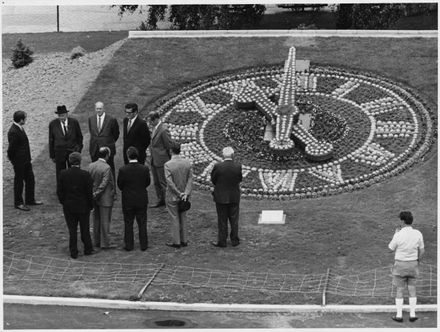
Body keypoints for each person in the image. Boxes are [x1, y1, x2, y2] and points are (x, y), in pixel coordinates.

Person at [388, 211, 425, 323]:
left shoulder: (398, 234)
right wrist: (417, 260)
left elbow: (390, 249)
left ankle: (399, 316)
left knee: (400, 290)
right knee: (412, 289)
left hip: (400, 264)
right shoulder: (418, 233)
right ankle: (412, 314)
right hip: (413, 264)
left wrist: (395, 234)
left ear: (402, 221)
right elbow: (422, 250)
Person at [57, 152, 94, 259]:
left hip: (69, 206)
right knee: (85, 229)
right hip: (83, 206)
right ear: (80, 161)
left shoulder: (63, 174)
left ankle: (73, 252)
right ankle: (88, 248)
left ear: (69, 161)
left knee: (72, 230)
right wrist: (91, 205)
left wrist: (64, 202)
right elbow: (89, 192)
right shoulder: (85, 175)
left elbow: (60, 191)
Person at [7, 110, 43, 211]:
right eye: (25, 118)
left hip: (26, 160)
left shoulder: (19, 128)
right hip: (19, 162)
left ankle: (30, 199)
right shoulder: (13, 131)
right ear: (21, 119)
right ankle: (18, 203)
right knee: (19, 182)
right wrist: (14, 161)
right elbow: (11, 149)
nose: (26, 120)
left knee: (30, 180)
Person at [117, 147, 150, 251]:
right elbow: (147, 182)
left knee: (128, 223)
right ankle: (143, 245)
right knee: (142, 223)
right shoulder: (144, 169)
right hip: (141, 199)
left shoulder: (123, 170)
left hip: (128, 200)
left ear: (128, 156)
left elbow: (120, 185)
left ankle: (129, 245)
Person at [210, 146, 243, 248]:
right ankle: (234, 240)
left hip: (221, 197)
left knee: (222, 220)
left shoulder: (218, 166)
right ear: (233, 155)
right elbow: (239, 179)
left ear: (222, 155)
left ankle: (222, 241)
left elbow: (213, 179)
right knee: (234, 220)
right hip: (234, 196)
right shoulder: (238, 166)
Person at [164, 143, 193, 248]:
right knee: (183, 217)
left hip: (173, 196)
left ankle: (176, 241)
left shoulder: (168, 165)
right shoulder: (187, 163)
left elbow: (169, 182)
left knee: (174, 217)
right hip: (185, 196)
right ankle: (184, 240)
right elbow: (190, 179)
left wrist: (178, 193)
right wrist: (185, 193)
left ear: (171, 151)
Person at [88, 147, 116, 249]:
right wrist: (97, 193)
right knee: (105, 221)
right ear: (107, 155)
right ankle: (105, 243)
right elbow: (104, 184)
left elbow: (89, 181)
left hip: (94, 198)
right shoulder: (107, 167)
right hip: (104, 198)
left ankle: (96, 241)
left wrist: (93, 194)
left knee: (96, 220)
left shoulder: (91, 166)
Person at [49, 105, 83, 182]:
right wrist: (52, 155)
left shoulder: (74, 122)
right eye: (60, 116)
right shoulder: (53, 124)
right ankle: (61, 191)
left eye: (63, 115)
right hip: (59, 153)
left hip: (73, 152)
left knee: (74, 173)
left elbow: (79, 137)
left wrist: (78, 150)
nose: (61, 117)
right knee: (60, 174)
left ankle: (75, 190)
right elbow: (51, 140)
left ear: (67, 114)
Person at [147, 111, 174, 208]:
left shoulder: (163, 129)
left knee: (163, 183)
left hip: (162, 160)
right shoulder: (155, 128)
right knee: (156, 182)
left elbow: (169, 145)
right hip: (154, 159)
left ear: (155, 119)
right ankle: (160, 200)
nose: (150, 123)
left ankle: (168, 203)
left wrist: (167, 159)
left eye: (151, 121)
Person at [88, 101, 120, 176]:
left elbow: (116, 134)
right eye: (97, 108)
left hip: (107, 149)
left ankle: (111, 187)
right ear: (95, 109)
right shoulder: (91, 119)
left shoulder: (111, 119)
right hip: (94, 149)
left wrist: (108, 142)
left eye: (100, 108)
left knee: (109, 170)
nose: (98, 110)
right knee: (95, 172)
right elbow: (92, 132)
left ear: (104, 109)